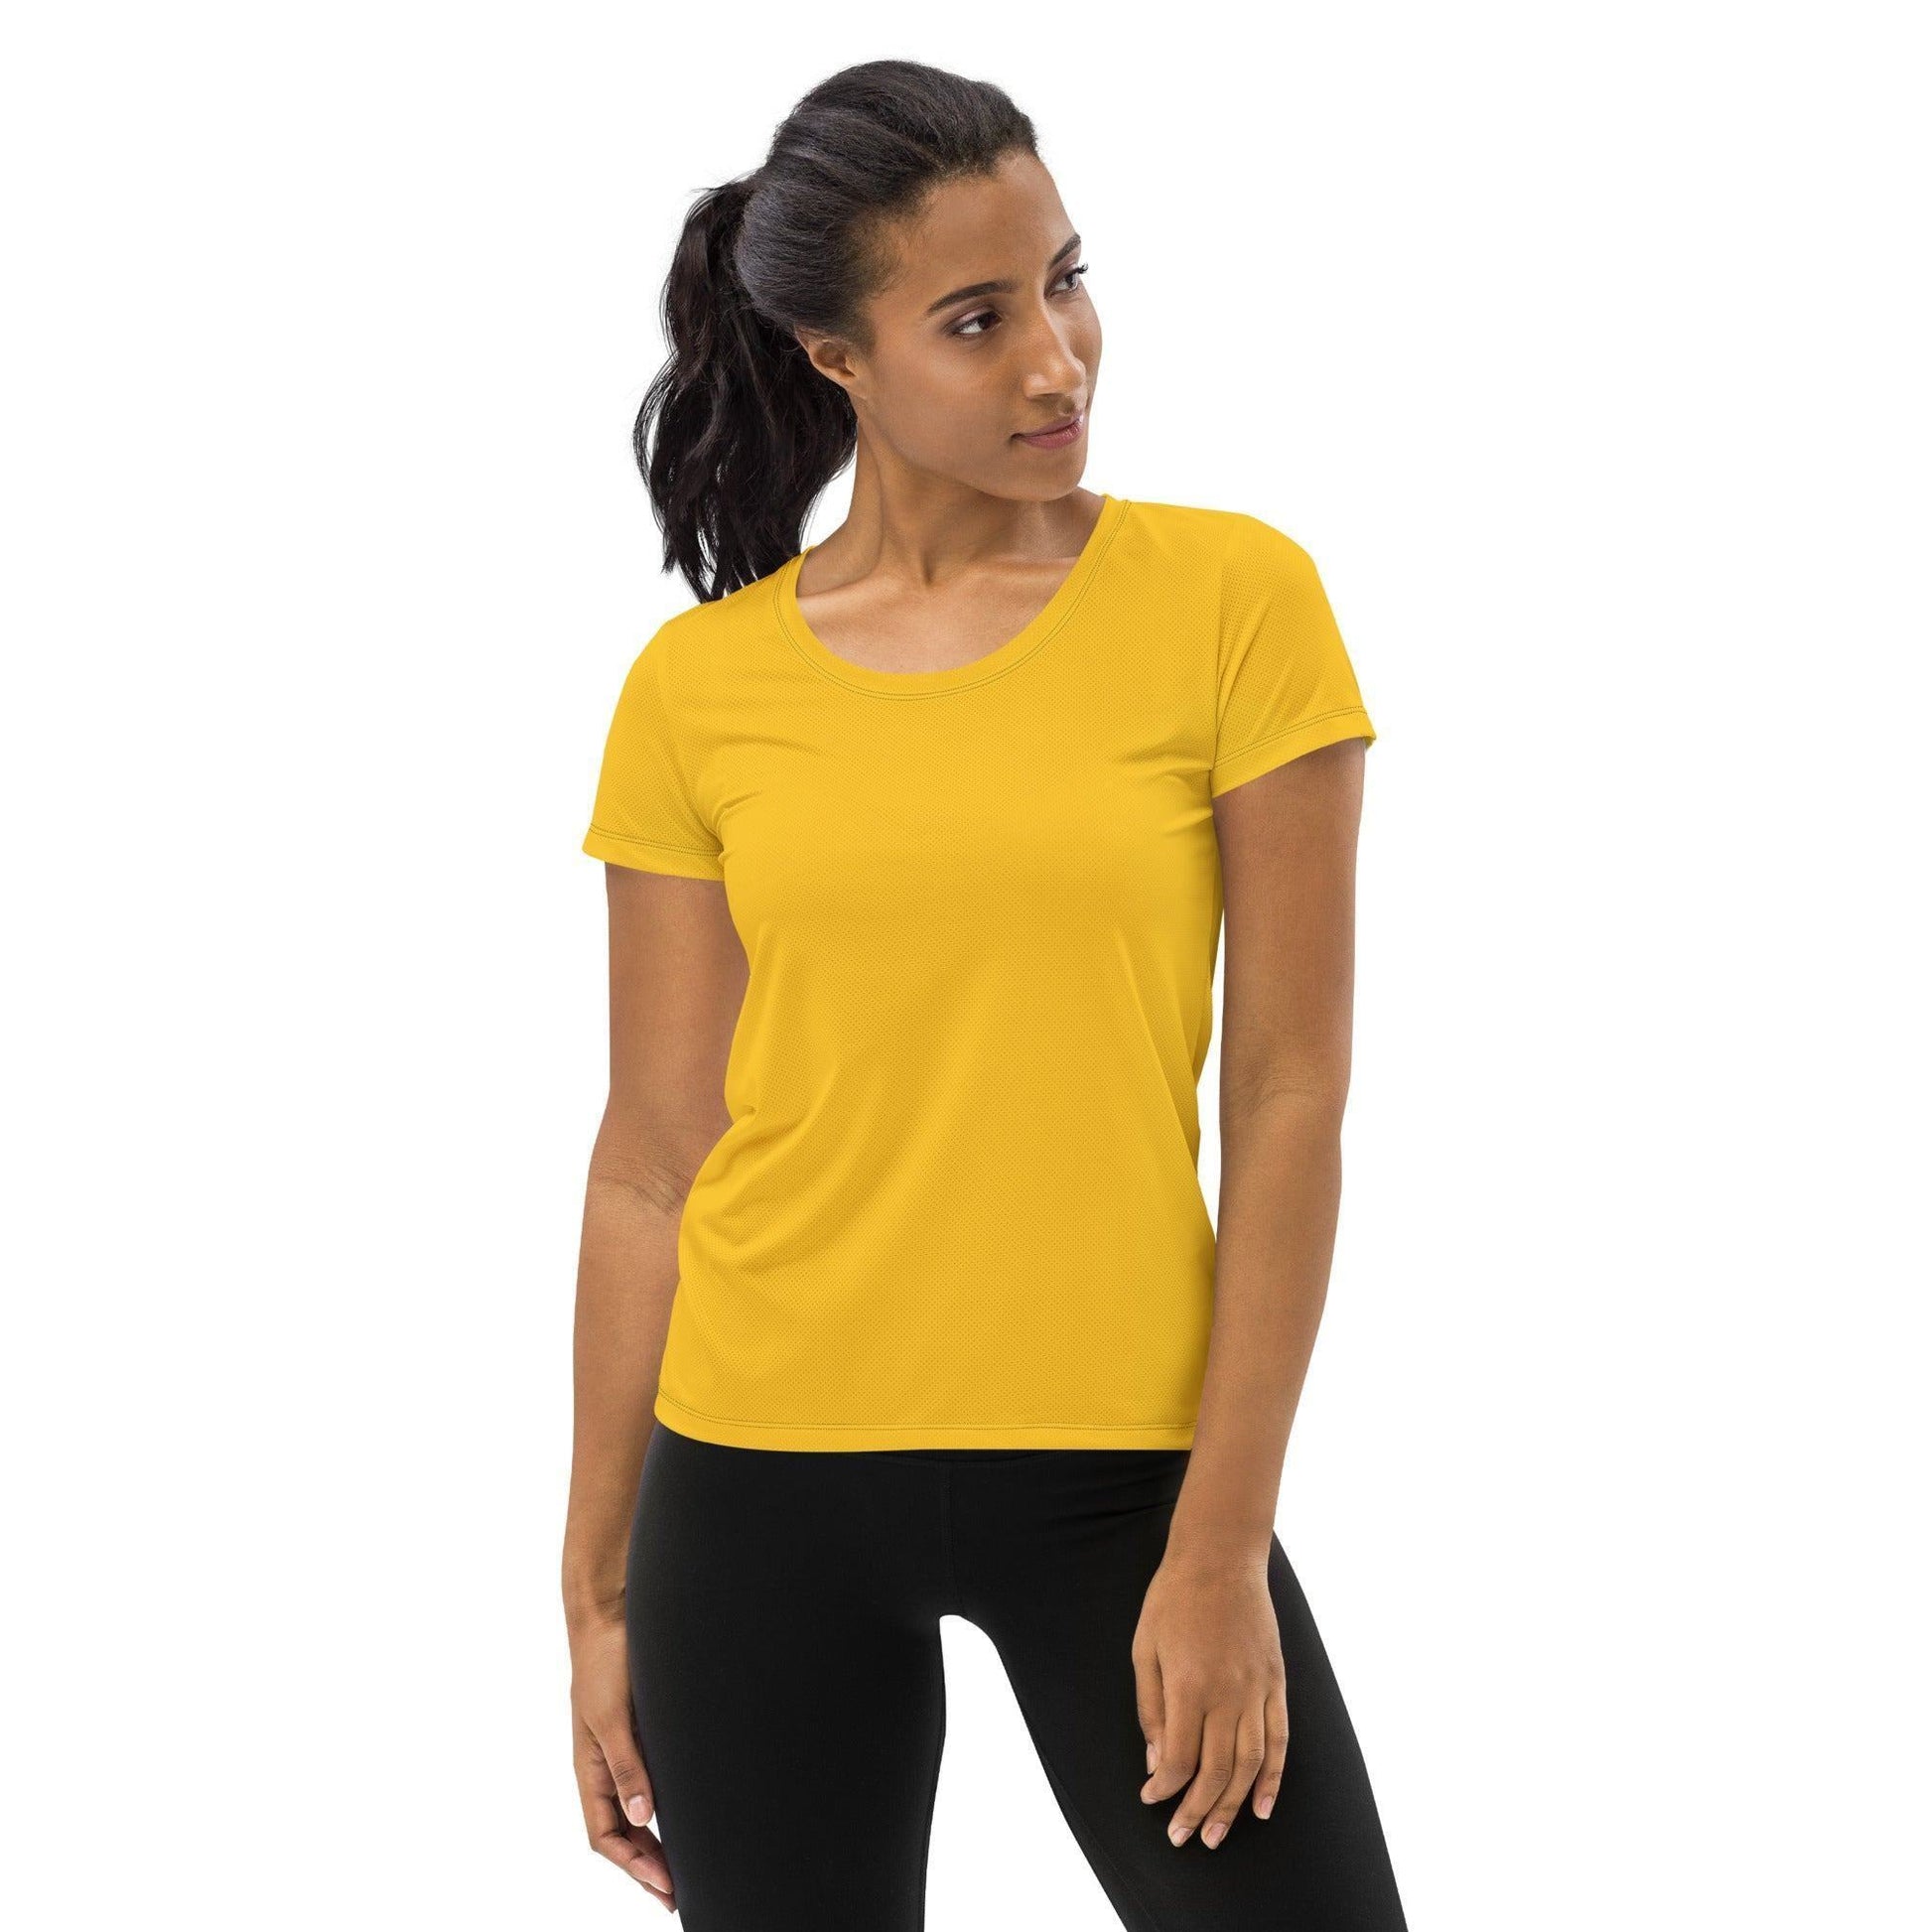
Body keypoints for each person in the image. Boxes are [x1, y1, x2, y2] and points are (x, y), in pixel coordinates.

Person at [561, 58, 1409, 1931]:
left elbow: (1287, 1094)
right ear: (833, 356)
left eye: (1065, 280)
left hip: (1129, 1481)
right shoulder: (697, 690)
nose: (1057, 358)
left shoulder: (1233, 601)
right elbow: (655, 1155)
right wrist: (597, 1588)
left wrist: (1220, 1547)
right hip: (754, 1482)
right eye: (975, 318)